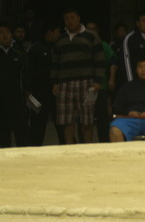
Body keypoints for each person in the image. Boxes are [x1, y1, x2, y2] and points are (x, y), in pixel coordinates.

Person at [51, 8, 105, 145]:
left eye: (72, 17)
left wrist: (98, 81)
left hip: (86, 81)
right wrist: (55, 82)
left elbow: (100, 59)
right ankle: (69, 147)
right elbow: (55, 62)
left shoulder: (91, 36)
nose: (69, 21)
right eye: (66, 18)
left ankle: (87, 146)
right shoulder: (61, 39)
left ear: (78, 18)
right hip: (64, 83)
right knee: (67, 119)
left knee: (87, 119)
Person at [26, 24, 64, 146]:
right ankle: (34, 148)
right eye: (57, 31)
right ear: (50, 32)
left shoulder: (59, 47)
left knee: (62, 123)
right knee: (38, 124)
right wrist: (28, 90)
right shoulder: (35, 49)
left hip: (57, 91)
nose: (59, 34)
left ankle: (67, 146)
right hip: (39, 92)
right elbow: (29, 70)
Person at [85, 21, 118, 143]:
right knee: (84, 119)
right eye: (89, 29)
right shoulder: (82, 44)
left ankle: (104, 142)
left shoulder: (103, 45)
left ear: (97, 31)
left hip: (101, 86)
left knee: (102, 117)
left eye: (93, 29)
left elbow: (113, 62)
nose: (91, 32)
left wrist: (111, 79)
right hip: (84, 86)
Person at [0, 21, 29, 148]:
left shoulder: (19, 52)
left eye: (7, 32)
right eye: (1, 32)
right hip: (1, 104)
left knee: (22, 138)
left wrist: (26, 92)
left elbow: (27, 75)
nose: (4, 35)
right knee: (3, 140)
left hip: (18, 101)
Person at [122, 10, 145, 82]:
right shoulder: (130, 38)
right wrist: (131, 82)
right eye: (143, 21)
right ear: (138, 23)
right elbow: (127, 62)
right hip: (136, 80)